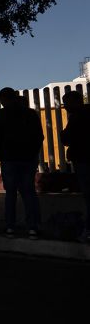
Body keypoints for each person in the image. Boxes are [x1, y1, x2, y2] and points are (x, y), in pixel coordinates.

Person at [0, 87, 44, 240]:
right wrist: (33, 153)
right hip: (28, 159)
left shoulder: (1, 115)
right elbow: (39, 136)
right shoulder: (30, 114)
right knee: (29, 193)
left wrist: (0, 155)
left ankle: (10, 227)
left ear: (2, 99)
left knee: (10, 194)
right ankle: (32, 227)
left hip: (9, 159)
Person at [60, 90, 90, 242]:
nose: (65, 107)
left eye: (66, 103)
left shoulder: (77, 117)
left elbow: (66, 138)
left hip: (83, 159)